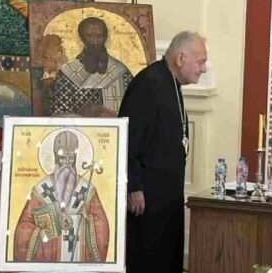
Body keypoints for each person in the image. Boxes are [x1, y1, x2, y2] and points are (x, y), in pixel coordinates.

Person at [119, 31, 207, 273]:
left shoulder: (170, 83)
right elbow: (129, 138)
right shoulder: (149, 84)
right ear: (181, 58)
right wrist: (133, 186)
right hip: (147, 199)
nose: (203, 69)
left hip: (166, 196)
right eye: (200, 62)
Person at [14, 130, 109, 262]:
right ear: (55, 158)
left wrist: (87, 220)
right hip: (49, 257)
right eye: (62, 158)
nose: (67, 163)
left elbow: (102, 226)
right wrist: (41, 233)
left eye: (71, 158)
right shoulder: (41, 189)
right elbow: (23, 227)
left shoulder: (87, 190)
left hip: (79, 255)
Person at [50, 17, 133, 116]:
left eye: (99, 36)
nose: (95, 42)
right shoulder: (67, 73)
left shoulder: (121, 72)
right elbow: (59, 113)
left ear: (106, 37)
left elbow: (134, 107)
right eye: (89, 36)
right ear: (82, 37)